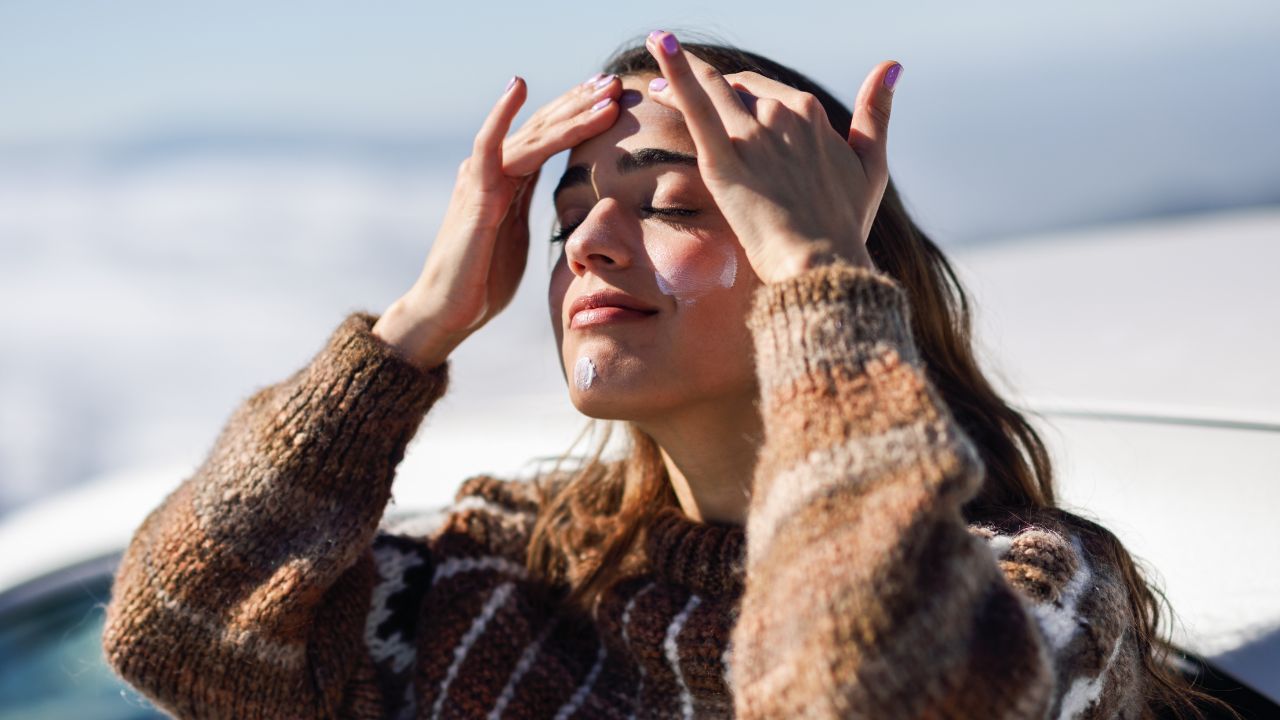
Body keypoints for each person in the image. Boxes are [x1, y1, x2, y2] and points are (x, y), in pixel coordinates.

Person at [102, 31, 1215, 719]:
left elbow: (866, 692)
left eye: (677, 208)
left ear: (821, 267)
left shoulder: (1028, 598)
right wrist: (412, 327)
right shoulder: (505, 585)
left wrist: (818, 275)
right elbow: (174, 631)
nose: (586, 244)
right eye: (566, 220)